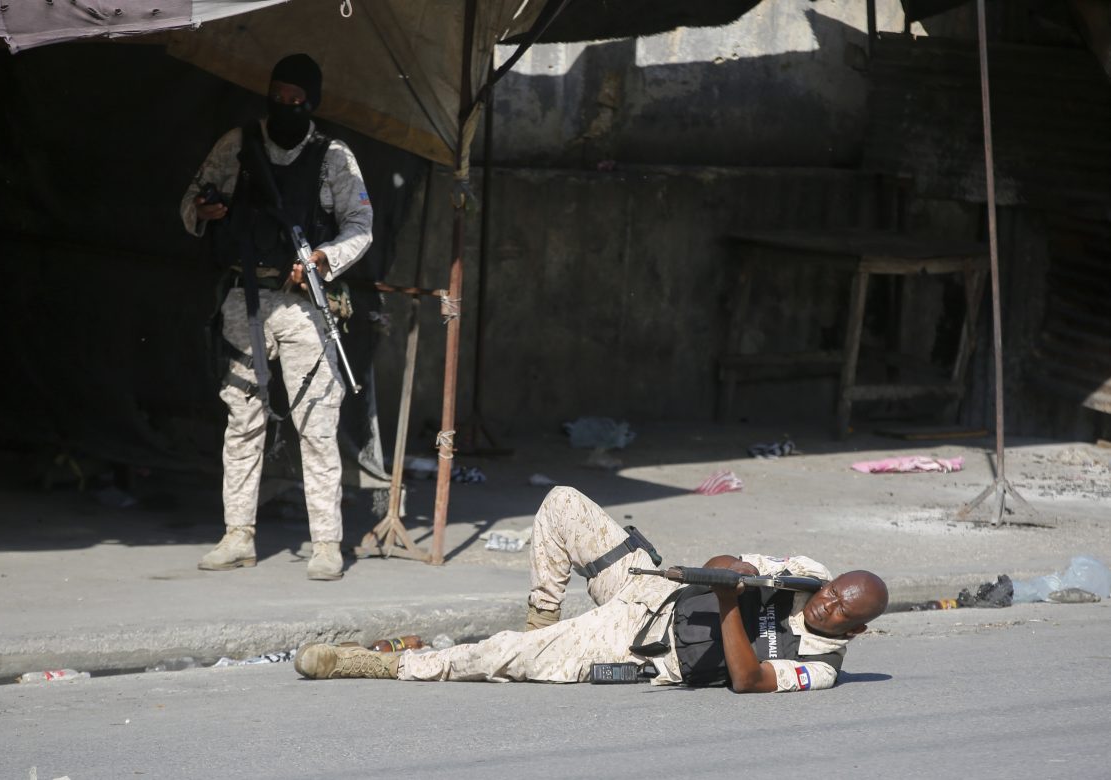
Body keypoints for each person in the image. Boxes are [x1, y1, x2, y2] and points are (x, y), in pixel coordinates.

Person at [294, 486, 889, 690]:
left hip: (637, 645)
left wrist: (732, 599)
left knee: (497, 658)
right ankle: (543, 627)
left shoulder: (819, 665)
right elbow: (721, 561)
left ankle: (370, 666)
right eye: (833, 590)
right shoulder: (807, 571)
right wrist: (737, 573)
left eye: (839, 609)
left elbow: (748, 679)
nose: (826, 601)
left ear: (856, 631)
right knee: (562, 506)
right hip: (652, 590)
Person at [180, 53, 373, 581]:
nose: (285, 106)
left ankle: (327, 543)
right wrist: (205, 208)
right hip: (246, 300)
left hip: (304, 305)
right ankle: (237, 536)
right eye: (278, 95)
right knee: (242, 422)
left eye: (296, 100)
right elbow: (191, 204)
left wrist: (323, 259)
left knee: (316, 422)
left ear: (312, 102)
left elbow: (360, 224)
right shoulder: (236, 145)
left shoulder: (333, 157)